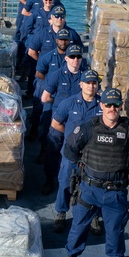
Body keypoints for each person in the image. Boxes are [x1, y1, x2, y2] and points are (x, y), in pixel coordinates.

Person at [59, 88, 129, 257]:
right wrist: (83, 166)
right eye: (108, 105)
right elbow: (70, 149)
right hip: (89, 189)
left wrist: (124, 163)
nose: (112, 109)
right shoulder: (89, 128)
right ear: (101, 106)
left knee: (116, 233)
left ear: (120, 107)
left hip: (115, 193)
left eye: (115, 105)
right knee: (78, 229)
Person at [49, 70, 103, 233]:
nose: (91, 86)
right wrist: (71, 136)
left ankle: (94, 216)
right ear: (81, 84)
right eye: (88, 82)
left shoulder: (103, 105)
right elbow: (55, 124)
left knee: (94, 186)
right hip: (72, 153)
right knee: (65, 182)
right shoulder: (69, 103)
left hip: (94, 155)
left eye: (94, 83)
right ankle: (61, 213)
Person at [39, 44, 89, 191]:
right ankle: (49, 180)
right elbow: (45, 97)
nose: (75, 60)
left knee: (78, 154)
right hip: (59, 121)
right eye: (72, 57)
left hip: (78, 122)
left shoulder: (86, 77)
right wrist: (62, 105)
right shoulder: (57, 75)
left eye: (78, 57)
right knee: (53, 151)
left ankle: (77, 183)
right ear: (66, 58)